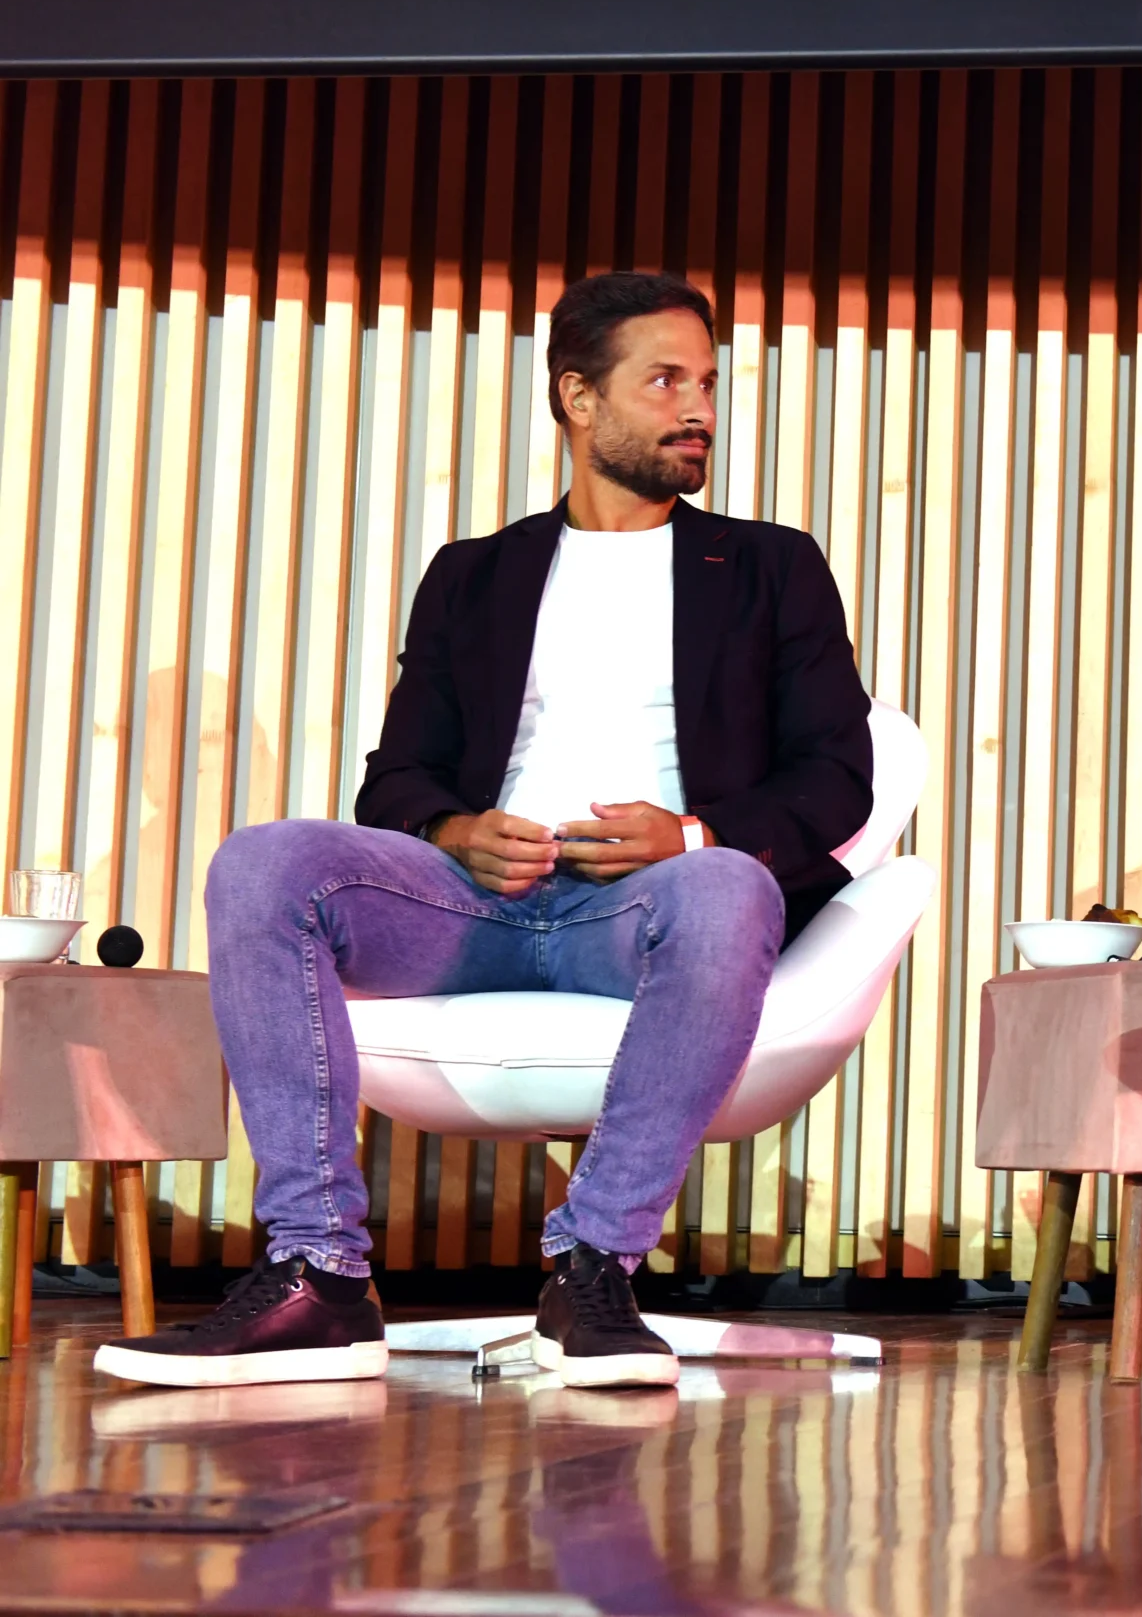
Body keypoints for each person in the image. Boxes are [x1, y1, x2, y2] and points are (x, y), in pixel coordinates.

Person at [96, 273, 875, 1392]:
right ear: (578, 398)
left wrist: (692, 835)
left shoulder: (768, 566)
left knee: (727, 884)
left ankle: (593, 1268)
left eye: (707, 383)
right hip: (477, 907)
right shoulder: (476, 575)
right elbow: (394, 782)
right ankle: (319, 1274)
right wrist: (455, 829)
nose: (698, 408)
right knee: (264, 863)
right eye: (665, 381)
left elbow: (837, 777)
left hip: (644, 911)